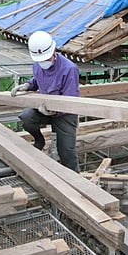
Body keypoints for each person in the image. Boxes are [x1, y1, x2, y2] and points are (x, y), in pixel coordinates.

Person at [10, 31, 80, 172]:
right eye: (40, 60)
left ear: (53, 51)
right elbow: (38, 80)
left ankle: (76, 179)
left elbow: (71, 100)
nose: (43, 63)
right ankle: (39, 140)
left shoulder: (69, 69)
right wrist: (28, 85)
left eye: (46, 59)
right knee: (26, 117)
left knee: (66, 151)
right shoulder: (38, 64)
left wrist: (54, 111)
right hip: (43, 108)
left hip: (65, 115)